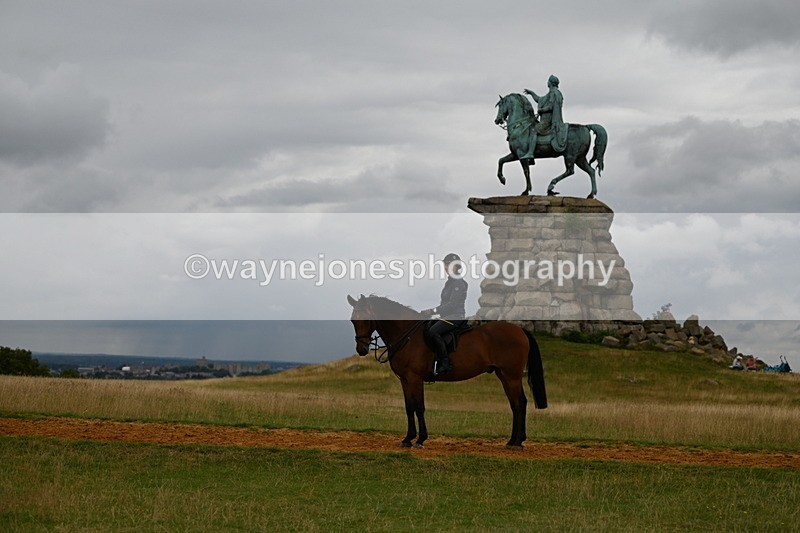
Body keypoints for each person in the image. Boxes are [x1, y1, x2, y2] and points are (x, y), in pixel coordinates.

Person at [421, 253, 468, 376]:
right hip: (447, 316)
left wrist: (433, 311)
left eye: (448, 265)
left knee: (433, 332)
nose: (446, 267)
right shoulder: (450, 282)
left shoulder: (458, 283)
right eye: (445, 264)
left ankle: (445, 363)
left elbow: (452, 305)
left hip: (456, 317)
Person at [521, 75, 568, 163]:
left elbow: (550, 107)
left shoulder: (554, 93)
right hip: (545, 120)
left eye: (548, 81)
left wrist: (541, 110)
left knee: (534, 130)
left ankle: (531, 153)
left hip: (548, 121)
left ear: (550, 83)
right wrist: (532, 93)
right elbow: (540, 99)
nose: (547, 82)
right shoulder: (551, 93)